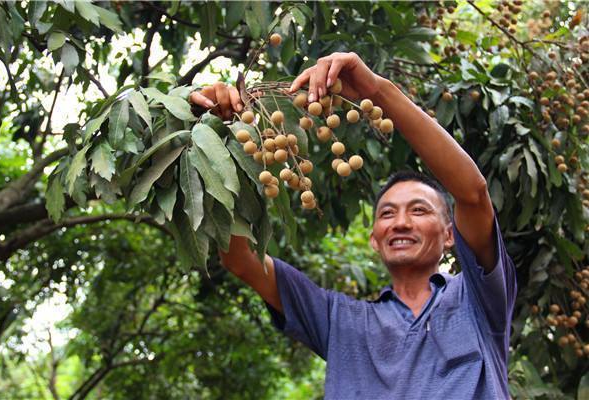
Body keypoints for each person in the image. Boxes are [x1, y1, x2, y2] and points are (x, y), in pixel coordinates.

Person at [190, 52, 517, 399]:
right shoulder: (339, 320)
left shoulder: (479, 299)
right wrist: (218, 142)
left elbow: (473, 194)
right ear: (374, 239)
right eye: (387, 214)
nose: (401, 223)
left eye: (418, 211)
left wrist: (377, 90)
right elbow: (242, 260)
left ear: (450, 234)